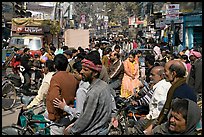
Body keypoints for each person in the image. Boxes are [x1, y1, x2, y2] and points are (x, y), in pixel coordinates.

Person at [64, 50, 113, 135]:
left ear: (94, 73)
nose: (81, 72)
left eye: (85, 70)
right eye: (82, 69)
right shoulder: (103, 85)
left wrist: (71, 130)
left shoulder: (94, 92)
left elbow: (85, 119)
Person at [146, 60, 197, 132]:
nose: (164, 74)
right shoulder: (180, 87)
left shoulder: (179, 91)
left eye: (166, 71)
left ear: (173, 73)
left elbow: (173, 117)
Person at [46, 54, 79, 135]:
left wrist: (56, 116)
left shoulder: (56, 78)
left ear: (54, 66)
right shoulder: (73, 77)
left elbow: (54, 98)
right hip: (69, 114)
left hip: (60, 116)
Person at [133, 66, 171, 134]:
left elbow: (159, 109)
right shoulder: (157, 85)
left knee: (138, 126)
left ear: (161, 76)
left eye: (153, 75)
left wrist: (147, 118)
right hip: (154, 117)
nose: (150, 76)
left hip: (155, 119)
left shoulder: (161, 88)